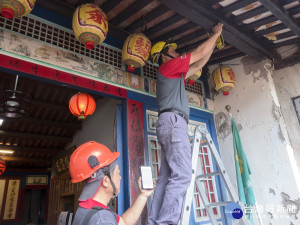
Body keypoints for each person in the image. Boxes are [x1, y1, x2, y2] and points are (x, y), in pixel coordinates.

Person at [147, 23, 223, 225]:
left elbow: (199, 65)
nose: (176, 50)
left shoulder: (173, 74)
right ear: (164, 55)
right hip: (173, 123)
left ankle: (156, 221)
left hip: (167, 122)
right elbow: (198, 52)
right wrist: (217, 34)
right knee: (181, 176)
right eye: (172, 49)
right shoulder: (168, 67)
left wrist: (214, 41)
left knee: (166, 178)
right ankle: (166, 222)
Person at [70, 141, 155, 225]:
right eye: (118, 173)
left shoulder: (86, 208)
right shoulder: (102, 220)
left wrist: (143, 195)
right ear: (106, 181)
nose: (120, 177)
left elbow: (124, 222)